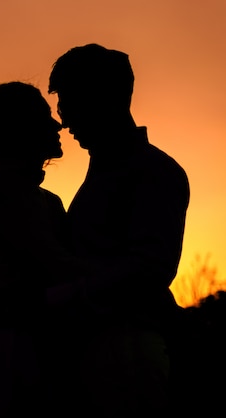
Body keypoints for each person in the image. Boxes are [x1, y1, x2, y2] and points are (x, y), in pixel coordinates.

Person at [47, 43, 191, 416]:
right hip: (96, 350)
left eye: (69, 104)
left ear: (105, 98)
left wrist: (57, 298)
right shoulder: (107, 171)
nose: (64, 120)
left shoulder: (153, 172)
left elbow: (149, 269)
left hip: (126, 355)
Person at [0, 81, 87, 418]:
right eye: (45, 116)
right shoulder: (4, 190)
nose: (57, 125)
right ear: (23, 128)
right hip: (13, 349)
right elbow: (56, 265)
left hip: (33, 339)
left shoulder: (42, 198)